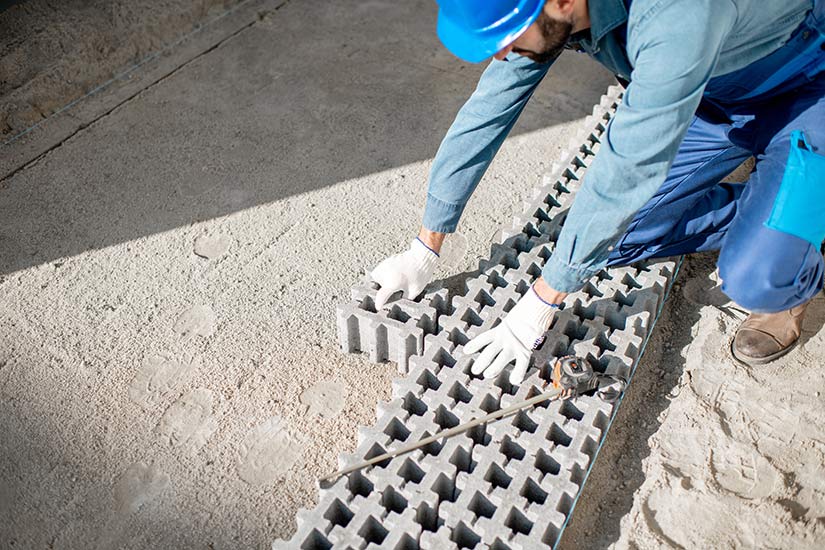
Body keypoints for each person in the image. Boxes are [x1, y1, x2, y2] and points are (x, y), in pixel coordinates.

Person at [370, 0, 825, 383]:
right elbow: (489, 107)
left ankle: (791, 260)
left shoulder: (676, 15)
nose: (504, 52)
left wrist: (541, 303)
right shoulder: (554, 13)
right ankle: (777, 215)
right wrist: (426, 246)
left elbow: (629, 167)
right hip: (711, 97)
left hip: (806, 90)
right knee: (615, 237)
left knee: (756, 278)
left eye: (508, 36)